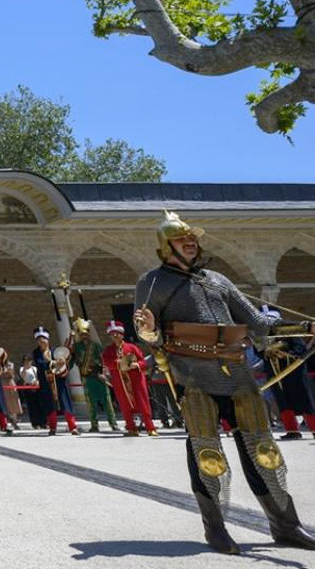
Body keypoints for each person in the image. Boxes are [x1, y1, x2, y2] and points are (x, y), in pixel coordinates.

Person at [133, 210, 315, 553]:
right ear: (166, 246)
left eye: (192, 238)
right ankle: (215, 529)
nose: (190, 242)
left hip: (236, 371)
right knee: (208, 454)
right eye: (182, 239)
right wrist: (148, 330)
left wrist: (304, 328)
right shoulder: (152, 282)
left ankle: (286, 526)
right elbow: (146, 332)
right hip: (192, 375)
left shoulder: (217, 280)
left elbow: (257, 321)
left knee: (264, 451)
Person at [257, 306, 315, 440]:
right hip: (275, 373)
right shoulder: (262, 336)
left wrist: (282, 354)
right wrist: (267, 353)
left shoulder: (290, 334)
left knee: (305, 401)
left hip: (294, 372)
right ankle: (292, 430)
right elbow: (259, 351)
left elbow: (300, 349)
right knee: (283, 402)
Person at [100, 320, 156, 436]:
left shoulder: (132, 347)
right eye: (112, 334)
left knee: (143, 403)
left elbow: (142, 361)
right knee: (124, 404)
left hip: (136, 380)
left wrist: (137, 365)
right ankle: (131, 428)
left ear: (122, 334)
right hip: (120, 382)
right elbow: (107, 362)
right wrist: (119, 363)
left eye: (117, 333)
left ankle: (150, 427)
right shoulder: (109, 351)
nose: (115, 336)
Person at [71, 320, 118, 433]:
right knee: (90, 403)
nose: (84, 336)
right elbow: (73, 360)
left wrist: (104, 374)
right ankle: (94, 425)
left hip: (99, 376)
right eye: (82, 334)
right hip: (87, 377)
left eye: (86, 334)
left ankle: (113, 423)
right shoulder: (76, 347)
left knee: (107, 401)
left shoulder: (95, 346)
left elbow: (104, 361)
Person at [32, 327, 78, 435]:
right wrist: (53, 363)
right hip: (46, 382)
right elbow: (40, 364)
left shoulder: (56, 351)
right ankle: (52, 428)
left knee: (65, 403)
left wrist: (63, 362)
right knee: (49, 405)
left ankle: (73, 427)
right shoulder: (36, 353)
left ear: (47, 339)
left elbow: (66, 363)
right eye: (39, 339)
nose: (41, 341)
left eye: (43, 339)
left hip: (59, 382)